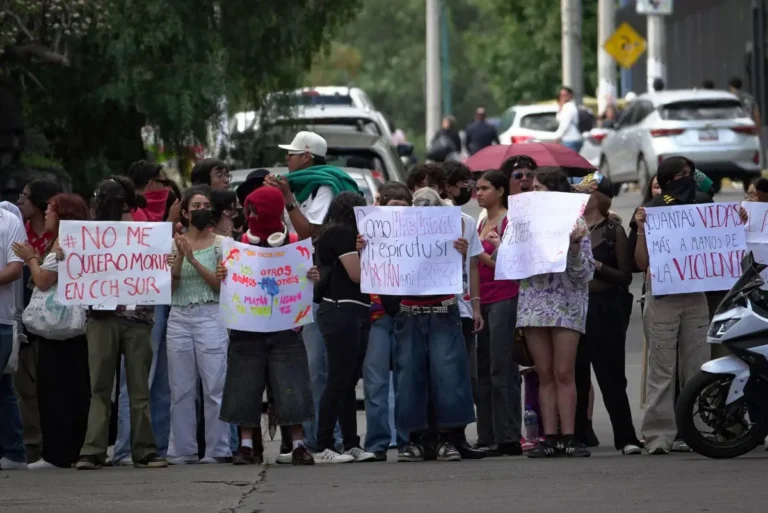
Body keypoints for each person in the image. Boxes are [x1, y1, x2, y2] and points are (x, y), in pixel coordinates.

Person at [631, 157, 745, 454]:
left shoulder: (704, 204)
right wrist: (641, 228)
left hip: (695, 297)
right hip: (663, 297)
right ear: (666, 179)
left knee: (698, 367)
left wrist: (738, 222)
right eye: (680, 174)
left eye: (690, 174)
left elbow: (723, 243)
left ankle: (696, 431)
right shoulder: (653, 209)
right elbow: (640, 262)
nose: (687, 178)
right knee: (662, 370)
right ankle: (658, 435)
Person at [265, 131, 359, 453]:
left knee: (319, 368)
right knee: (304, 366)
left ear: (306, 156)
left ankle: (325, 438)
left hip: (318, 287)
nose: (286, 159)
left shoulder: (324, 187)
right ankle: (307, 436)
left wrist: (287, 198)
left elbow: (310, 231)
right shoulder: (300, 187)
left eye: (291, 154)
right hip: (293, 284)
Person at [217, 186, 316, 466]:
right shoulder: (238, 246)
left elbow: (305, 280)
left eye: (257, 210)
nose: (252, 215)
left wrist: (311, 274)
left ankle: (298, 445)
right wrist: (223, 273)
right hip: (246, 330)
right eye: (249, 210)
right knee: (244, 387)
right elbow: (229, 283)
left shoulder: (295, 244)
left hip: (287, 330)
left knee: (292, 386)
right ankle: (246, 446)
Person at [380, 187, 476, 462]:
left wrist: (461, 254)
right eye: (418, 205)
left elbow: (462, 271)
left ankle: (448, 439)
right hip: (409, 311)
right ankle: (416, 440)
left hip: (443, 310)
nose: (423, 209)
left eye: (429, 206)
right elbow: (382, 260)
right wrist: (367, 247)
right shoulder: (396, 233)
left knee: (449, 376)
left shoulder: (453, 229)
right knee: (409, 378)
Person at [76, 178, 167, 470]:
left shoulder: (145, 231)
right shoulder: (88, 234)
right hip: (103, 317)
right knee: (101, 386)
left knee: (137, 388)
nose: (98, 203)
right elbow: (77, 266)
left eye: (103, 197)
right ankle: (94, 450)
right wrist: (65, 257)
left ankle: (143, 450)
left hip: (136, 319)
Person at [12, 193, 91, 469]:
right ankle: (73, 448)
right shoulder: (75, 240)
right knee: (73, 389)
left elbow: (44, 280)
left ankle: (58, 453)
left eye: (51, 209)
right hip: (73, 331)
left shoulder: (66, 241)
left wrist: (31, 258)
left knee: (55, 391)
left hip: (59, 330)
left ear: (64, 215)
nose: (46, 214)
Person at [519, 167, 595, 458]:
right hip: (534, 305)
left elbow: (584, 273)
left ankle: (570, 437)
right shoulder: (523, 221)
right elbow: (512, 266)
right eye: (532, 188)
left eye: (538, 188)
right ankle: (549, 438)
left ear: (553, 190)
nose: (533, 192)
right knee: (544, 374)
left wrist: (574, 247)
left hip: (566, 304)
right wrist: (502, 248)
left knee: (564, 373)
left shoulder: (575, 221)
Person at [571, 174, 642, 455]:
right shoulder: (569, 227)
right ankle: (577, 435)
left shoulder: (613, 231)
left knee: (611, 375)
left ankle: (626, 437)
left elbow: (625, 276)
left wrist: (597, 265)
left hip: (605, 307)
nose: (580, 197)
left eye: (585, 192)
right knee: (576, 373)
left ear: (599, 198)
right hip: (574, 306)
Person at [111, 167, 173, 467]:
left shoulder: (150, 216)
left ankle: (156, 446)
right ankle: (125, 448)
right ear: (149, 184)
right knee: (137, 379)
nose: (167, 189)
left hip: (156, 298)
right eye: (163, 183)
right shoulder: (133, 217)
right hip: (138, 303)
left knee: (160, 380)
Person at [166, 186, 231, 465]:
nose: (201, 210)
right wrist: (181, 256)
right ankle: (183, 449)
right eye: (196, 206)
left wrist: (192, 258)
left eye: (206, 206)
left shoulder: (222, 244)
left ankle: (218, 449)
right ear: (185, 213)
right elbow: (169, 288)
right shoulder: (173, 244)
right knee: (180, 388)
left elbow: (219, 286)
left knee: (215, 386)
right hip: (179, 316)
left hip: (210, 315)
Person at [312, 191, 376, 463]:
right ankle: (323, 444)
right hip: (341, 309)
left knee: (348, 381)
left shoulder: (339, 233)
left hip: (354, 309)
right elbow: (357, 274)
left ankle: (351, 443)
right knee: (339, 380)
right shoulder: (340, 233)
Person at [473, 171, 522, 456]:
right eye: (477, 188)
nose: (478, 193)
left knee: (501, 368)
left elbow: (508, 263)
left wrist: (476, 251)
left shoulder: (509, 221)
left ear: (501, 191)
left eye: (485, 188)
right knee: (482, 369)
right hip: (483, 299)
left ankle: (508, 436)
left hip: (504, 297)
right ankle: (487, 434)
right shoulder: (481, 221)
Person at [363, 183, 412, 461]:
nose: (398, 213)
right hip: (377, 315)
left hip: (408, 314)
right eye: (394, 207)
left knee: (407, 382)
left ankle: (406, 441)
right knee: (376, 383)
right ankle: (377, 443)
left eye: (404, 208)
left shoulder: (418, 235)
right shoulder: (366, 232)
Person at [15, 178, 59, 462]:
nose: (19, 201)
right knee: (23, 386)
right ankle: (31, 445)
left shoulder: (58, 237)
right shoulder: (19, 233)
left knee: (49, 385)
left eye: (25, 196)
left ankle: (52, 443)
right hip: (24, 317)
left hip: (54, 321)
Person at [0, 193, 27, 470]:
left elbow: (15, 269)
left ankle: (14, 451)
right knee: (4, 389)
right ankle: (13, 451)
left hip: (2, 319)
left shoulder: (8, 221)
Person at [552, 87, 583, 153]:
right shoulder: (567, 106)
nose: (562, 97)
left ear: (570, 95)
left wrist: (557, 137)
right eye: (561, 95)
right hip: (571, 139)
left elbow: (564, 124)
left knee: (568, 159)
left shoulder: (568, 106)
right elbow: (559, 118)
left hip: (570, 139)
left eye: (565, 95)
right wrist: (560, 107)